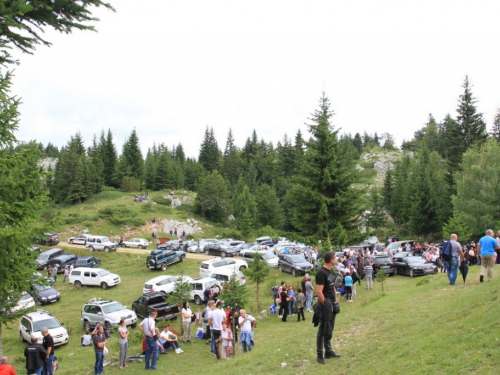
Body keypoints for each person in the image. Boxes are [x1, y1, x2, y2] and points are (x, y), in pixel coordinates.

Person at [315, 251, 341, 364]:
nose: (336, 260)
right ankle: (319, 355)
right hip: (325, 306)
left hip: (332, 304)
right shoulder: (321, 273)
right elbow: (319, 292)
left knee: (330, 329)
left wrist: (335, 302)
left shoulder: (331, 271)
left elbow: (332, 288)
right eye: (335, 258)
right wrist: (327, 305)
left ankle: (328, 351)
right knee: (322, 330)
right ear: (331, 260)